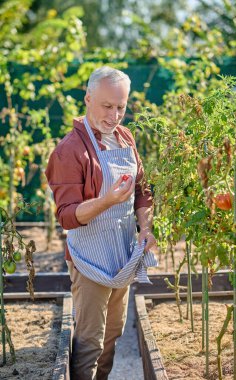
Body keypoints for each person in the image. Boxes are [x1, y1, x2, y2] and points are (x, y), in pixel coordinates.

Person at [45, 66, 158, 380]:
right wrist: (106, 201)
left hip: (121, 253)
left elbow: (142, 189)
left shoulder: (124, 136)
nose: (115, 115)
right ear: (88, 98)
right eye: (107, 106)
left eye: (121, 107)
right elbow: (67, 215)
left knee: (113, 333)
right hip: (89, 257)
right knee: (91, 339)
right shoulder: (70, 151)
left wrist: (146, 229)